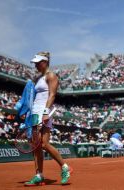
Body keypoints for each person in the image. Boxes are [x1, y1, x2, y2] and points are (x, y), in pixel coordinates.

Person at [24, 52, 72, 186]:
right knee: (36, 145)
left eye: (38, 62)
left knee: (44, 144)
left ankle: (65, 167)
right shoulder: (38, 78)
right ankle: (38, 175)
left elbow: (52, 95)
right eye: (35, 63)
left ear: (45, 62)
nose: (36, 65)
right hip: (34, 112)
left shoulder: (51, 76)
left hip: (43, 112)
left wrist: (45, 112)